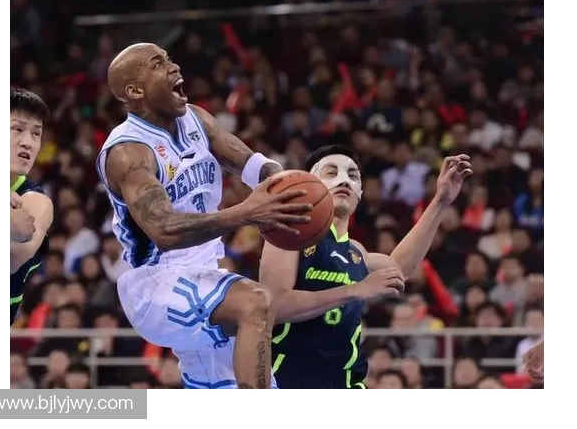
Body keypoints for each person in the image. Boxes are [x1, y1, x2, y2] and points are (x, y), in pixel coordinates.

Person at [96, 43, 312, 389]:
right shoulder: (128, 151)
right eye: (157, 64)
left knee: (219, 388)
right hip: (156, 284)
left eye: (169, 58)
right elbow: (165, 230)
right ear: (135, 91)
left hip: (204, 274)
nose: (173, 66)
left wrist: (286, 185)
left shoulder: (195, 119)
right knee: (255, 302)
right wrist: (247, 212)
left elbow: (252, 164)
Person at [259, 145, 472, 388]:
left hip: (348, 382)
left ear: (359, 192)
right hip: (291, 380)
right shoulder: (289, 233)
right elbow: (275, 305)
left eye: (352, 175)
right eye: (331, 172)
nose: (343, 180)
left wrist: (440, 201)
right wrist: (355, 290)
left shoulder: (356, 252)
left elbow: (398, 269)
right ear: (309, 185)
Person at [10, 87, 54, 325]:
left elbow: (10, 260)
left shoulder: (36, 201)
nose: (28, 142)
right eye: (17, 129)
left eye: (36, 134)